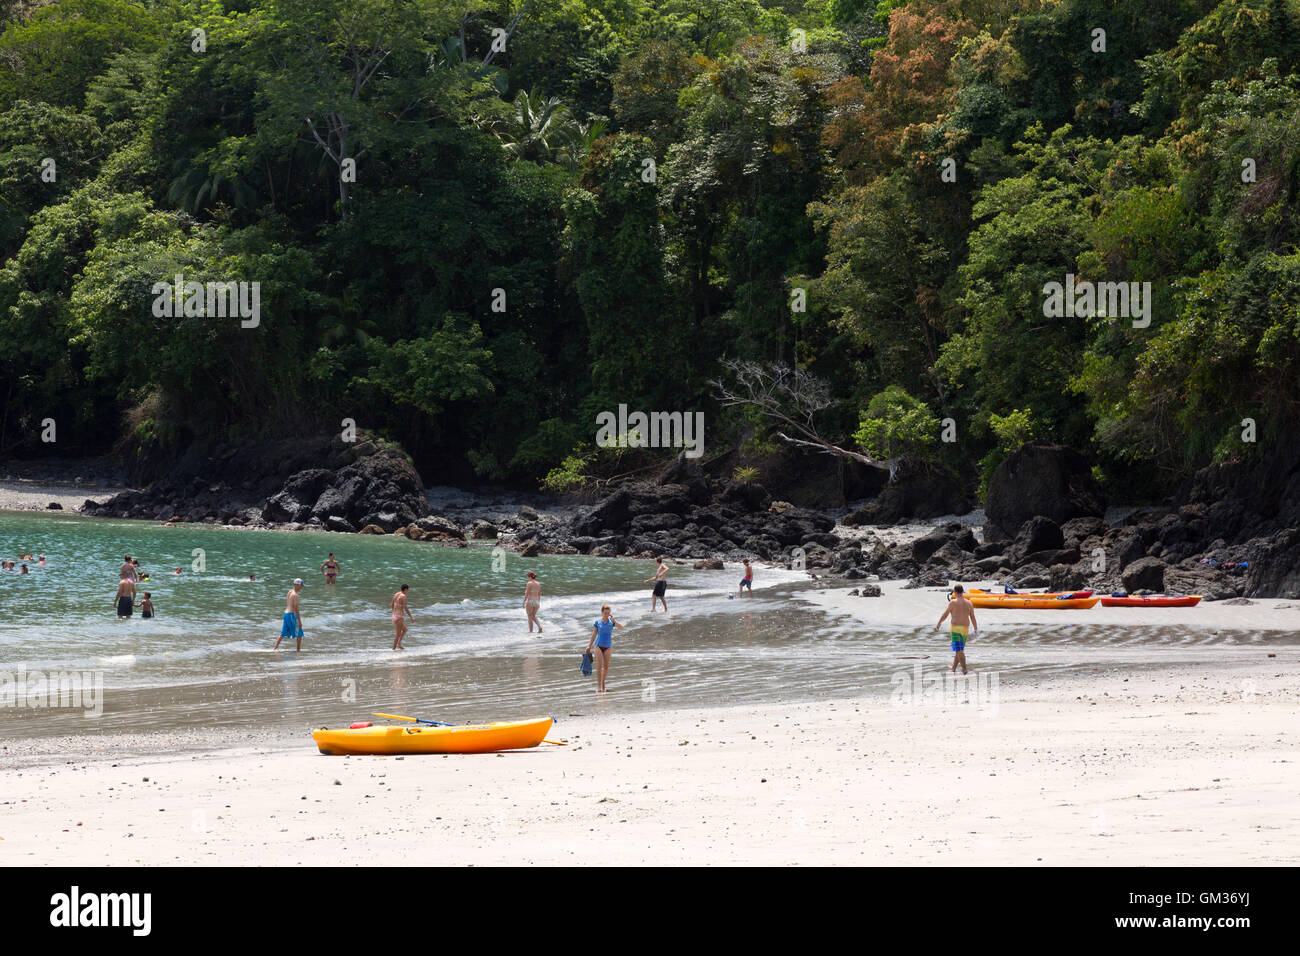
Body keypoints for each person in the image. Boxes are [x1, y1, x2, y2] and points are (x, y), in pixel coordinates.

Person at [936, 584, 978, 675]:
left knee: (959, 651)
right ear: (963, 592)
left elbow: (945, 614)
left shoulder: (952, 602)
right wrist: (975, 629)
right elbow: (973, 618)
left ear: (955, 592)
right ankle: (953, 668)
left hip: (955, 629)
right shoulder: (969, 603)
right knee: (959, 650)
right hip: (965, 629)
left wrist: (939, 622)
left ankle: (964, 669)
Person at [584, 604, 624, 693]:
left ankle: (603, 684)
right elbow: (594, 634)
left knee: (606, 667)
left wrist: (615, 621)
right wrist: (589, 646)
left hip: (608, 646)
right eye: (605, 613)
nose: (606, 614)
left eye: (608, 613)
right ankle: (598, 686)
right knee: (599, 666)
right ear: (602, 612)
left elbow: (622, 628)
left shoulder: (611, 622)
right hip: (598, 645)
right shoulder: (597, 622)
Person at [274, 579, 305, 652]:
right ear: (297, 585)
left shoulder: (290, 592)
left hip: (286, 614)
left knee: (283, 633)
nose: (301, 587)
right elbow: (296, 609)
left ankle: (275, 648)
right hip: (291, 615)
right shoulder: (296, 595)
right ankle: (298, 650)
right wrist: (299, 621)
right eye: (301, 586)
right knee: (299, 634)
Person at [390, 584, 413, 650]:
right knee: (398, 634)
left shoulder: (396, 594)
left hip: (394, 616)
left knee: (405, 630)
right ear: (405, 589)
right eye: (408, 590)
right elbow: (405, 608)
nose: (408, 591)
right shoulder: (403, 596)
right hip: (399, 617)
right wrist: (411, 617)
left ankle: (398, 644)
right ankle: (393, 649)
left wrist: (395, 613)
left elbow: (391, 605)